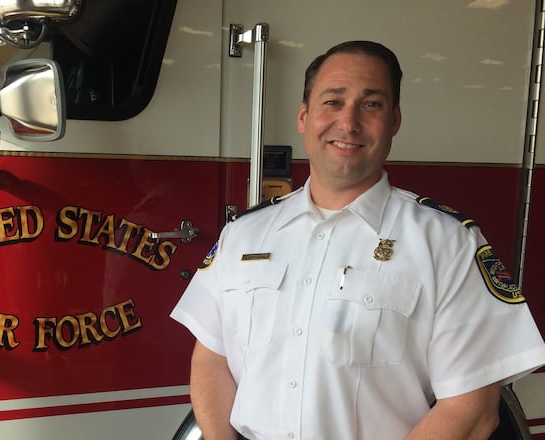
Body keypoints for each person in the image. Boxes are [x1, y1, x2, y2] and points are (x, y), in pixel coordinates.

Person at [170, 40, 545, 439]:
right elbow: (212, 358)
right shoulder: (243, 234)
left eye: (371, 105)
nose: (348, 123)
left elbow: (471, 410)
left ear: (395, 120)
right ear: (303, 116)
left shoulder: (449, 245)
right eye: (332, 101)